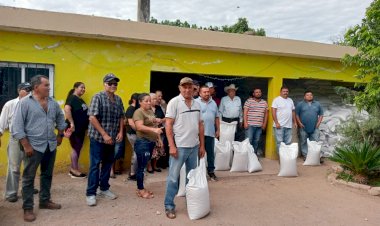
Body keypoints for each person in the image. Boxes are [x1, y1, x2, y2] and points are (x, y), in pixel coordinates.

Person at [12, 75, 66, 222]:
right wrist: (26, 145)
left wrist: (60, 134)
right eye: (46, 85)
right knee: (28, 178)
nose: (49, 88)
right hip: (33, 147)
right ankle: (28, 208)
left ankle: (44, 201)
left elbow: (61, 119)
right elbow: (16, 127)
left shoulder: (53, 103)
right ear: (36, 87)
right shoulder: (24, 103)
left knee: (47, 175)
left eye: (49, 85)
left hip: (50, 145)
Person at [164, 77, 206, 219]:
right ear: (180, 88)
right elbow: (168, 125)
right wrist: (172, 146)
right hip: (179, 147)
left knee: (191, 177)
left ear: (194, 89)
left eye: (190, 87)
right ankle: (169, 206)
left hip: (194, 147)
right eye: (184, 87)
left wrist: (202, 146)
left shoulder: (197, 104)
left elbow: (200, 125)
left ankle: (192, 203)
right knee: (173, 178)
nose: (187, 90)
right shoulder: (174, 103)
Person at [85, 73, 124, 207]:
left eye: (115, 83)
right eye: (110, 83)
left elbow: (121, 117)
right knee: (95, 164)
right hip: (98, 137)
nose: (113, 85)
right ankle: (91, 193)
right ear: (104, 84)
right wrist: (104, 135)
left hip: (112, 138)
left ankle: (104, 188)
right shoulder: (98, 97)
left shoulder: (118, 99)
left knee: (108, 163)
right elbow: (92, 117)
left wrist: (120, 132)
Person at [0, 82, 35, 203]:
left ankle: (26, 189)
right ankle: (11, 193)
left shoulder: (34, 104)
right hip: (15, 139)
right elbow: (2, 124)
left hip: (31, 138)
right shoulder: (10, 104)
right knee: (14, 167)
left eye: (30, 90)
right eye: (26, 89)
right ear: (19, 90)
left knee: (29, 166)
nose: (28, 92)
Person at [133, 93, 163, 199]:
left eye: (150, 100)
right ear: (140, 102)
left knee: (144, 165)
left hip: (151, 142)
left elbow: (154, 124)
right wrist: (154, 130)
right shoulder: (138, 112)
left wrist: (158, 139)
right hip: (142, 142)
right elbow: (139, 127)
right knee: (141, 167)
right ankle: (140, 189)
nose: (149, 102)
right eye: (146, 101)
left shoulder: (150, 111)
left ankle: (141, 188)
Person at [64, 82, 89, 178]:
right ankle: (74, 170)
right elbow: (67, 109)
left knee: (77, 148)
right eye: (81, 87)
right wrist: (72, 123)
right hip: (74, 128)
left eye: (84, 88)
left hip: (80, 128)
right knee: (75, 148)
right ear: (75, 88)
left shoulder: (79, 99)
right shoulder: (72, 98)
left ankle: (73, 169)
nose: (83, 89)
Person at [195, 85, 220, 181]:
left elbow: (217, 117)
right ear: (200, 93)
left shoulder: (213, 103)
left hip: (210, 132)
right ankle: (197, 172)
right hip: (197, 134)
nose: (207, 93)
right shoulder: (195, 102)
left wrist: (218, 130)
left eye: (208, 92)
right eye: (204, 92)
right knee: (198, 153)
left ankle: (211, 172)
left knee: (210, 153)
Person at [295, 90, 324, 160]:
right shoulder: (300, 104)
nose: (309, 96)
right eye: (307, 95)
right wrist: (299, 123)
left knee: (315, 142)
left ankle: (316, 157)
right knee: (303, 141)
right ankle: (306, 156)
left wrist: (318, 123)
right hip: (303, 127)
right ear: (304, 96)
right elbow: (296, 115)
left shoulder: (317, 104)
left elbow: (321, 114)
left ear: (312, 96)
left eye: (311, 95)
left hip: (315, 127)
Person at [243, 88, 269, 156]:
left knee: (256, 141)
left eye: (259, 92)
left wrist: (264, 124)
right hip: (250, 125)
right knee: (249, 141)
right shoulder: (249, 101)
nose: (258, 93)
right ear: (253, 94)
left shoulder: (264, 102)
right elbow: (245, 112)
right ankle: (247, 156)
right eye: (256, 92)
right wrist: (245, 122)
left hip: (259, 126)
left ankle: (253, 156)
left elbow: (266, 114)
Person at [271, 86, 297, 154]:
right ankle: (281, 157)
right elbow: (273, 111)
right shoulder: (276, 100)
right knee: (279, 142)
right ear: (280, 92)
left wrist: (295, 122)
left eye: (287, 91)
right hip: (279, 125)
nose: (285, 93)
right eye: (284, 91)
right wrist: (276, 123)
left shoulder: (290, 100)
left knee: (288, 142)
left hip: (288, 125)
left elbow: (293, 111)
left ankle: (286, 157)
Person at [148, 92, 166, 173]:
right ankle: (149, 166)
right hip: (150, 132)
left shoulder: (158, 108)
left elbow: (164, 118)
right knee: (150, 150)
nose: (156, 100)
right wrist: (154, 121)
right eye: (154, 99)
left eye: (156, 98)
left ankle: (155, 165)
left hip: (159, 131)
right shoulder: (147, 108)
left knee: (158, 148)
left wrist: (161, 120)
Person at [125, 93, 140, 181]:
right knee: (136, 153)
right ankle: (132, 174)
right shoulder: (131, 109)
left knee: (136, 153)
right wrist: (140, 131)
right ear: (134, 100)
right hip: (132, 134)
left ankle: (133, 172)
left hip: (134, 133)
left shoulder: (135, 109)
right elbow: (131, 123)